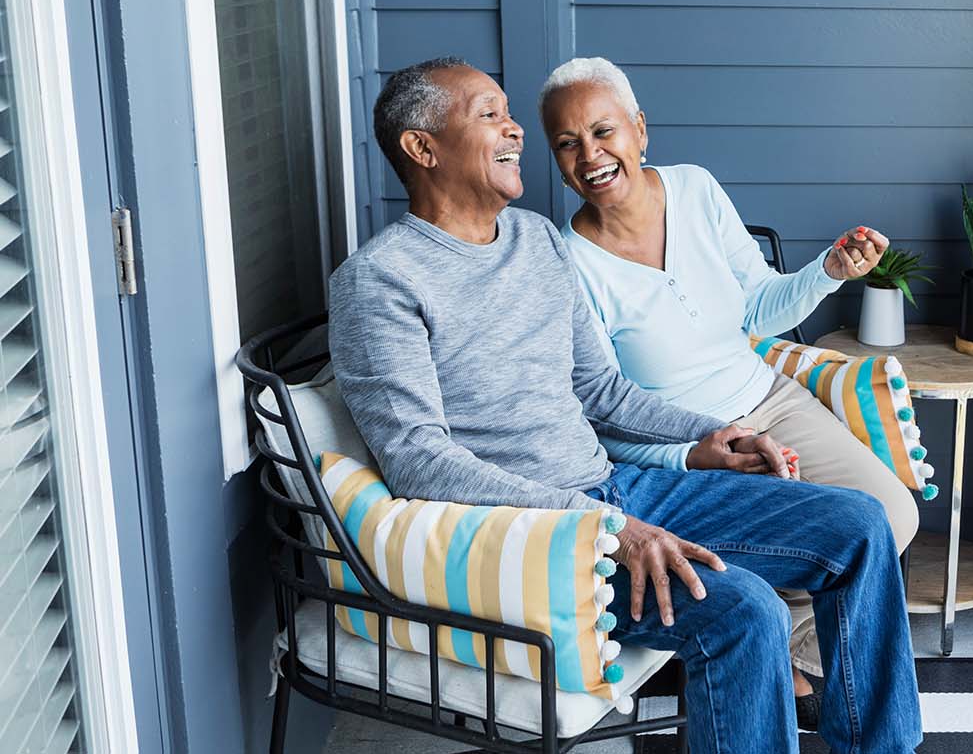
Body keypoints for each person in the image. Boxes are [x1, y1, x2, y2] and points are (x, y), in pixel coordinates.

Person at [328, 56, 922, 754]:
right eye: (489, 114)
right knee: (745, 610)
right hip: (539, 536)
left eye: (509, 112)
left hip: (617, 492)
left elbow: (600, 392)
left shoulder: (535, 240)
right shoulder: (379, 282)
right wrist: (605, 524)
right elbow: (420, 464)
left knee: (859, 524)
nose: (516, 128)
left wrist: (715, 432)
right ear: (422, 148)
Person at [536, 57, 920, 724]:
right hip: (686, 448)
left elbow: (757, 309)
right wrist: (695, 450)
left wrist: (826, 272)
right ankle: (789, 667)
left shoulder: (696, 189)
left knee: (893, 515)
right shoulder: (568, 261)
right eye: (568, 143)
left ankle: (796, 658)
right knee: (820, 542)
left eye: (603, 132)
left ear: (640, 129)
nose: (590, 155)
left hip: (769, 396)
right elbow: (603, 413)